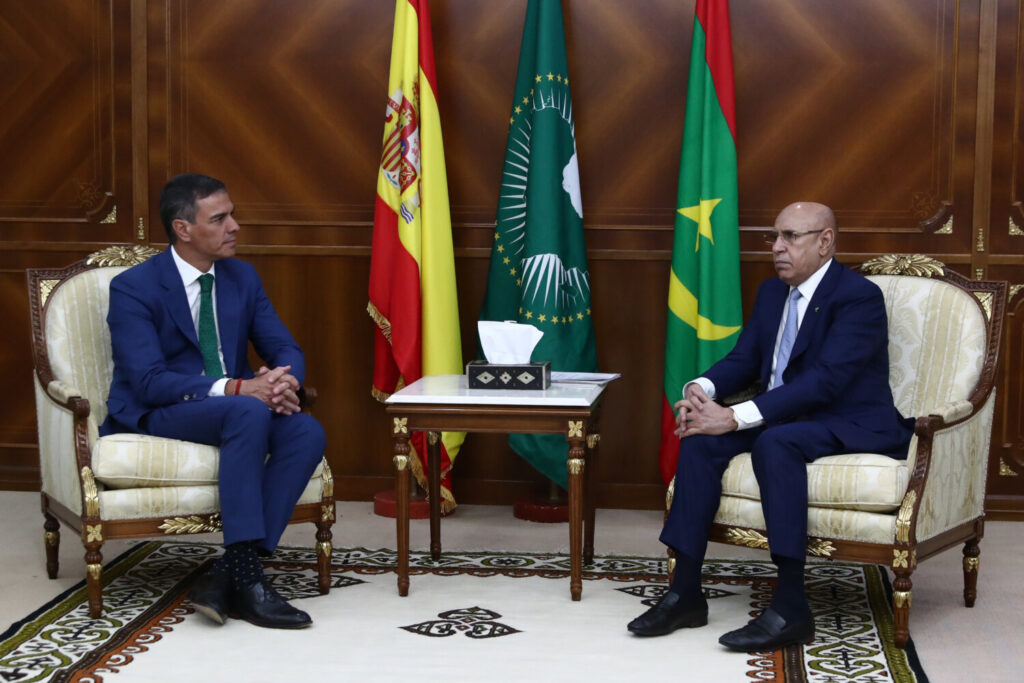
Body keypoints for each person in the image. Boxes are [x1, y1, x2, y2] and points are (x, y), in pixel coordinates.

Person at [628, 202, 914, 651]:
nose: (778, 248)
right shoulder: (771, 293)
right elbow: (745, 360)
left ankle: (791, 605)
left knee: (776, 443)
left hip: (846, 419)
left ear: (825, 241)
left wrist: (736, 415)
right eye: (774, 237)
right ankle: (684, 593)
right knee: (701, 442)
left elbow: (826, 381)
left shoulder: (857, 296)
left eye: (790, 237)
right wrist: (702, 389)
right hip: (784, 414)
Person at [101, 173, 326, 629]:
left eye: (232, 214)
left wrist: (286, 383)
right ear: (183, 229)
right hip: (161, 409)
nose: (235, 226)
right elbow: (147, 381)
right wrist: (240, 388)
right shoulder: (134, 288)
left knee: (305, 428)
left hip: (233, 407)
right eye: (220, 218)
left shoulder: (241, 276)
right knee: (245, 408)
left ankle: (233, 572)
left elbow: (286, 349)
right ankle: (246, 578)